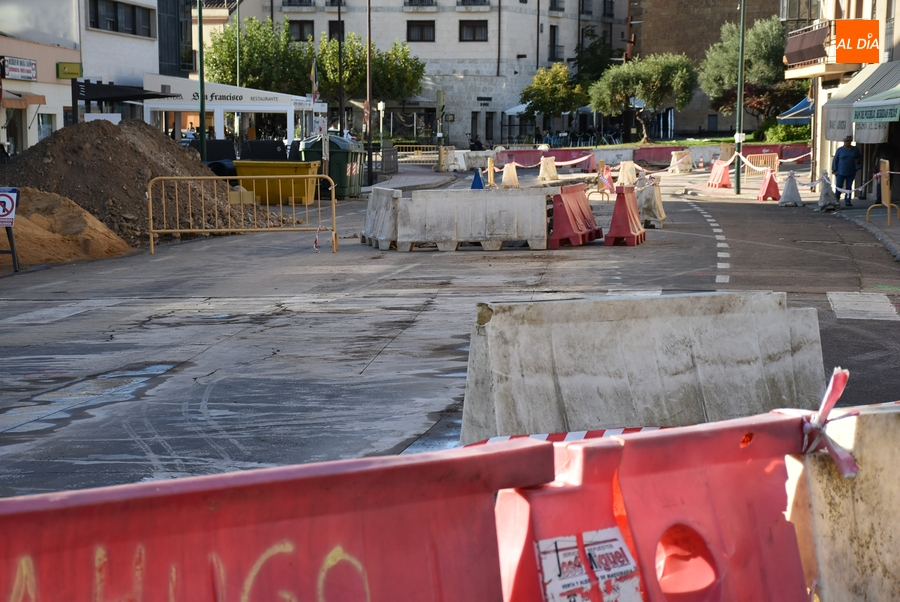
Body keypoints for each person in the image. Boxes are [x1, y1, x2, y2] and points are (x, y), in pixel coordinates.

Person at [831, 135, 862, 207]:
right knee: (839, 185)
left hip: (851, 171)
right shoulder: (840, 150)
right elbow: (835, 159)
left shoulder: (855, 149)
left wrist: (858, 160)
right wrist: (834, 168)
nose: (848, 142)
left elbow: (860, 157)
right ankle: (837, 198)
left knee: (849, 186)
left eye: (849, 141)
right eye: (847, 141)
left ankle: (848, 200)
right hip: (840, 171)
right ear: (844, 141)